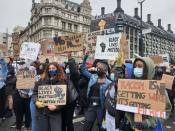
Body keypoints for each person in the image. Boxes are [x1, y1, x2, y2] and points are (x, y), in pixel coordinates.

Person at [125, 57, 171, 131]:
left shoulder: (158, 88)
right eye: (135, 66)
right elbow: (126, 108)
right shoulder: (129, 86)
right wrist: (132, 121)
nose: (136, 69)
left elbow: (166, 110)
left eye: (140, 66)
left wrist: (149, 122)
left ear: (148, 69)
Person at [80, 55, 112, 131]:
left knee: (102, 127)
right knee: (87, 125)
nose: (97, 69)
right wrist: (85, 57)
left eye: (99, 68)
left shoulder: (109, 83)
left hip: (102, 108)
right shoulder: (93, 77)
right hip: (91, 106)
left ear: (105, 70)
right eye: (97, 68)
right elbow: (83, 70)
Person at [32, 62, 66, 131]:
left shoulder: (62, 81)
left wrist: (57, 106)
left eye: (53, 68)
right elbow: (35, 92)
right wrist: (36, 101)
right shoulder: (41, 80)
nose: (51, 70)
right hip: (42, 112)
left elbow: (65, 98)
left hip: (55, 112)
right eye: (50, 68)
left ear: (57, 69)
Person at [62, 53, 80, 131]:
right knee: (62, 122)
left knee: (68, 122)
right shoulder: (58, 79)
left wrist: (70, 59)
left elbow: (74, 72)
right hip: (61, 103)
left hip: (70, 102)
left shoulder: (73, 78)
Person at [30, 63, 47, 131]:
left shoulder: (52, 79)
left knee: (45, 122)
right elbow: (32, 92)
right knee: (35, 121)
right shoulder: (35, 78)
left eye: (44, 72)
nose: (42, 75)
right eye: (41, 72)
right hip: (35, 101)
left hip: (47, 102)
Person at [0, 58, 8, 123]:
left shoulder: (2, 70)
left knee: (2, 103)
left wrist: (1, 58)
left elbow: (4, 65)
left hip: (1, 88)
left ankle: (2, 116)